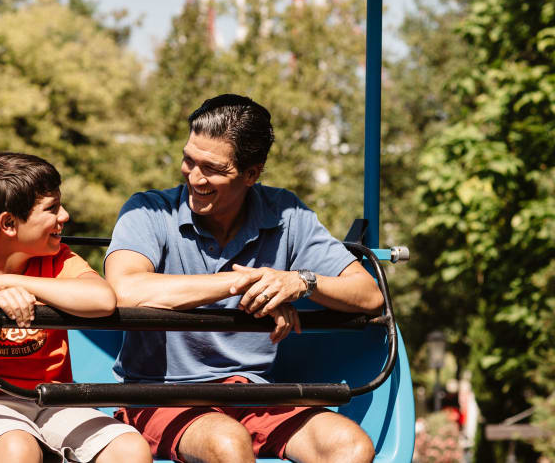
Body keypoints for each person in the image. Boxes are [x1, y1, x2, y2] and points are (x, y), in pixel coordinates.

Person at [105, 94, 381, 463]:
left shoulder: (286, 213)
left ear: (252, 173)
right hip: (161, 395)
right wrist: (248, 283)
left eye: (213, 168)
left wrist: (300, 282)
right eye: (189, 159)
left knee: (350, 447)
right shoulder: (149, 210)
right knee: (228, 445)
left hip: (252, 393)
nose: (194, 176)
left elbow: (368, 294)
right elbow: (125, 290)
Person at [0, 152, 151, 463]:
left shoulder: (56, 259)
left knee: (130, 448)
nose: (65, 216)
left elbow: (102, 299)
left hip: (51, 400)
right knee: (18, 449)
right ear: (9, 223)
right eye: (52, 209)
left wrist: (11, 282)